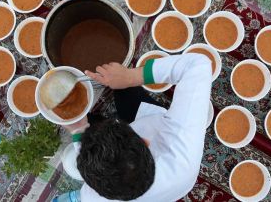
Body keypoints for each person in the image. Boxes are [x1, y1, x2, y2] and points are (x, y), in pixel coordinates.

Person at [60, 53, 212, 201]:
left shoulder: (90, 197)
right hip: (153, 122)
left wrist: (78, 130)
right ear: (145, 141)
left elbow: (91, 162)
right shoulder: (182, 144)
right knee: (124, 90)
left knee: (90, 117)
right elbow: (198, 65)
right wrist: (130, 77)